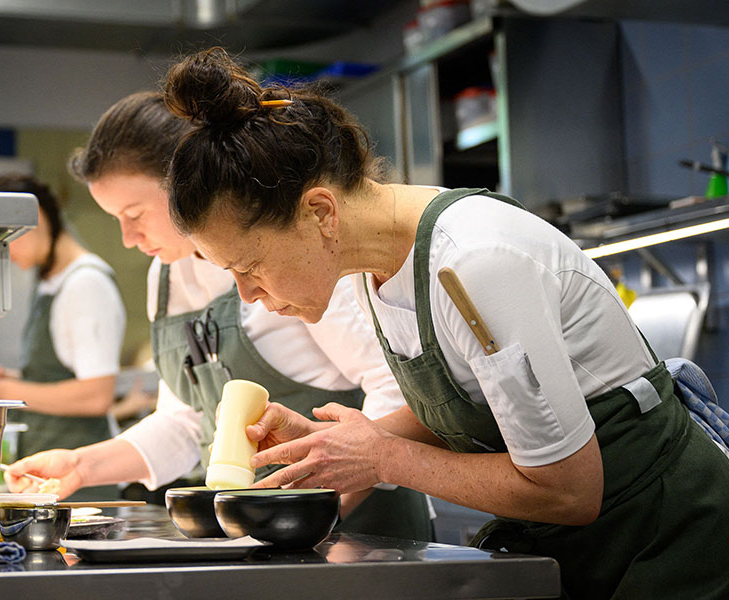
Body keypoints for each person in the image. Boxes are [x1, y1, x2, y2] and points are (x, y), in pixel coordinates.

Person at [158, 48, 729, 598]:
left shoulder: (474, 262)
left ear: (320, 213)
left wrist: (385, 458)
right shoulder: (371, 266)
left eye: (250, 267)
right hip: (581, 547)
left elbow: (570, 490)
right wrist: (343, 444)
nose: (249, 296)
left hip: (669, 537)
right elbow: (472, 397)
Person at [5, 92, 435, 541]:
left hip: (361, 533)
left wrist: (323, 506)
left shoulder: (287, 254)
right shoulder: (167, 275)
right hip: (264, 531)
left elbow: (395, 386)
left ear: (185, 187)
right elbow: (186, 422)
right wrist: (79, 465)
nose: (128, 238)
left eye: (134, 215)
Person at [0, 173, 126, 500]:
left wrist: (5, 390)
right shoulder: (51, 281)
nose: (5, 253)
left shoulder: (86, 284)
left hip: (84, 483)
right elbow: (61, 375)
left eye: (7, 239)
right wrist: (12, 378)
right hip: (54, 476)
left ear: (38, 219)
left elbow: (96, 395)